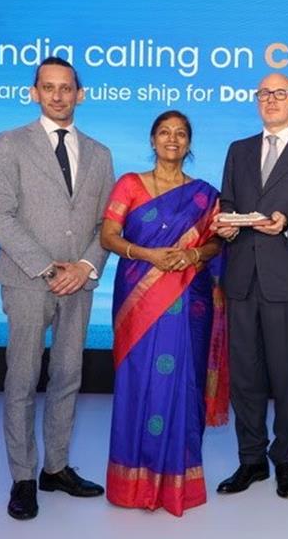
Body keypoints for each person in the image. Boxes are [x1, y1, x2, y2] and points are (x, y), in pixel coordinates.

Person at [0, 56, 115, 520]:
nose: (58, 95)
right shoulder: (11, 143)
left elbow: (105, 224)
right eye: (49, 87)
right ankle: (23, 477)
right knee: (22, 379)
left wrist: (85, 266)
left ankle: (55, 468)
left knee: (67, 376)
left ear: (80, 94)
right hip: (26, 279)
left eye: (66, 87)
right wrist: (46, 268)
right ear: (34, 92)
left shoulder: (100, 153)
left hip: (79, 283)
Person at [98, 110, 229, 517]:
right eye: (165, 132)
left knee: (184, 383)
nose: (172, 139)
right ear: (152, 139)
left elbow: (216, 245)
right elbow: (108, 236)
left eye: (181, 133)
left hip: (189, 302)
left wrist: (193, 254)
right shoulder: (130, 184)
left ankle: (177, 483)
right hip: (138, 301)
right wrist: (147, 253)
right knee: (139, 381)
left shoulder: (205, 195)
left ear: (189, 143)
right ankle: (132, 484)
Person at [212, 73, 288, 500]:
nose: (272, 100)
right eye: (265, 93)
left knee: (287, 378)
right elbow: (228, 202)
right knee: (245, 377)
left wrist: (287, 225)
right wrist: (225, 224)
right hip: (241, 278)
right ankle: (251, 459)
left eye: (281, 93)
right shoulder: (238, 149)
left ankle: (284, 460)